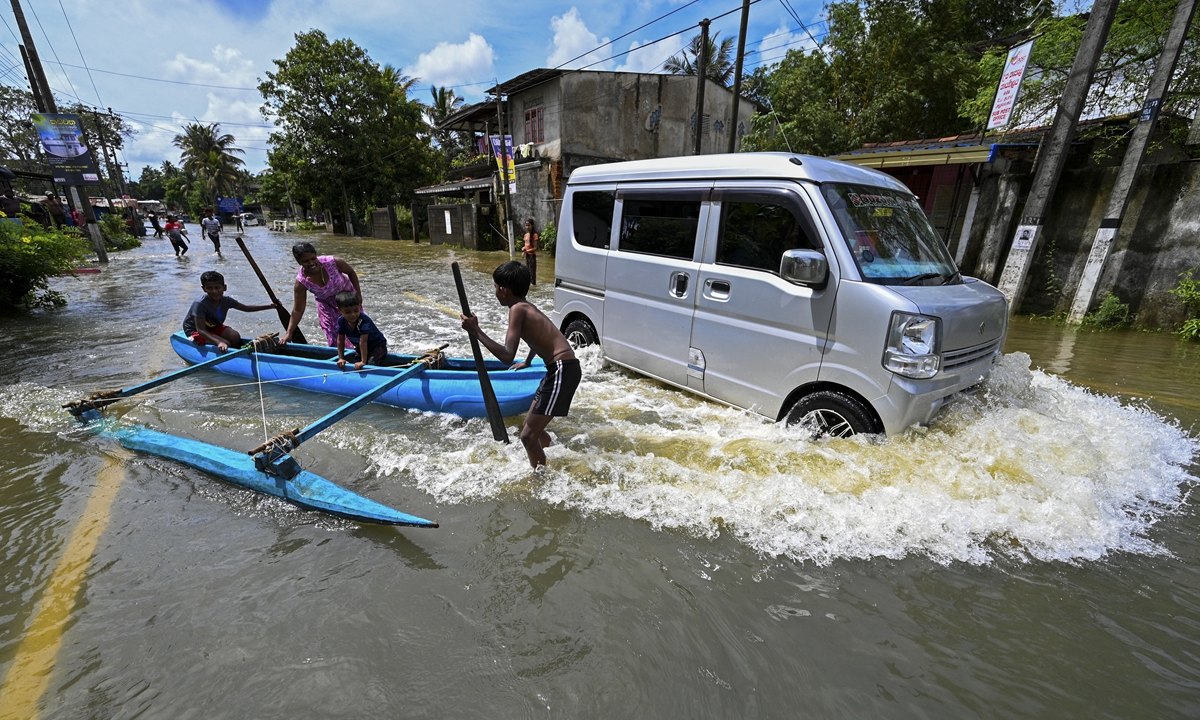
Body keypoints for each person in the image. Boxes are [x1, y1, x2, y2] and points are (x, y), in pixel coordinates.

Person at [460, 261, 579, 469]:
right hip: (560, 368)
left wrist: (476, 331)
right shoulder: (526, 307)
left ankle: (542, 480)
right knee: (532, 429)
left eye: (495, 287)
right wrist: (528, 360)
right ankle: (555, 459)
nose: (495, 292)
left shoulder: (516, 310)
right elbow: (540, 335)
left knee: (527, 436)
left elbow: (506, 356)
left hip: (562, 369)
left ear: (504, 290)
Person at [281, 242, 363, 347]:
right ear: (299, 262)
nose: (311, 263)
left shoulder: (333, 262)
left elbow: (351, 272)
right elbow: (298, 310)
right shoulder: (302, 282)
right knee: (335, 336)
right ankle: (342, 359)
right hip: (328, 308)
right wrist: (289, 332)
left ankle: (364, 357)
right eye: (305, 261)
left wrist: (358, 295)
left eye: (313, 258)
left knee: (358, 331)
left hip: (349, 301)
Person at [182, 270, 279, 351]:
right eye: (209, 288)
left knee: (235, 336)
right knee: (226, 343)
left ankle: (237, 352)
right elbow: (201, 330)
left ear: (224, 288)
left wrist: (270, 306)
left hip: (213, 327)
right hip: (195, 331)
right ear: (204, 289)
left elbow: (246, 308)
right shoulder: (200, 304)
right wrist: (219, 342)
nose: (214, 291)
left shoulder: (226, 301)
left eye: (217, 288)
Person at [334, 290, 387, 370]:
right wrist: (341, 358)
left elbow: (363, 341)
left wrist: (363, 361)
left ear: (359, 307)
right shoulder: (341, 321)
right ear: (339, 310)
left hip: (377, 347)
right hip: (360, 348)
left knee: (369, 366)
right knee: (354, 366)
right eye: (348, 312)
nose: (353, 315)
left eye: (356, 310)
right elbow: (340, 340)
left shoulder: (364, 320)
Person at [522, 218, 539, 285]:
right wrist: (523, 249)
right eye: (526, 225)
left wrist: (526, 251)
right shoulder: (526, 235)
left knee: (532, 272)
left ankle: (533, 285)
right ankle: (529, 285)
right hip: (527, 255)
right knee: (527, 271)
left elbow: (535, 248)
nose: (527, 227)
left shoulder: (534, 235)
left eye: (529, 225)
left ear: (532, 226)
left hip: (532, 255)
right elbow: (525, 246)